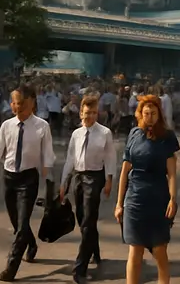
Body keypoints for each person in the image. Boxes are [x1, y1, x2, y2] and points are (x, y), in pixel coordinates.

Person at [0, 84, 55, 282]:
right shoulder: (7, 126)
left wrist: (48, 172)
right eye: (13, 103)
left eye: (20, 103)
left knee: (22, 224)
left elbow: (48, 153)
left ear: (32, 102)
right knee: (17, 223)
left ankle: (11, 268)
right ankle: (31, 244)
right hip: (8, 177)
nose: (16, 107)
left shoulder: (42, 126)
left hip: (28, 179)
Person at [115, 95, 180, 284]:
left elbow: (172, 174)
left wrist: (173, 199)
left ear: (159, 114)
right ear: (140, 115)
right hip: (134, 199)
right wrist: (119, 204)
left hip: (159, 199)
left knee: (160, 251)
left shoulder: (167, 137)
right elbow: (125, 171)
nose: (149, 117)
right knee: (135, 250)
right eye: (146, 113)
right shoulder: (134, 134)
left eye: (153, 113)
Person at [61, 95, 117, 283]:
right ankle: (94, 248)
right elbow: (70, 158)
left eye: (93, 113)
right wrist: (64, 183)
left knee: (88, 220)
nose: (90, 116)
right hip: (78, 176)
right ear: (81, 112)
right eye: (87, 113)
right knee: (82, 219)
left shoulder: (105, 133)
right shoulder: (76, 134)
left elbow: (110, 158)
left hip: (95, 177)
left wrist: (109, 179)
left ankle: (80, 268)